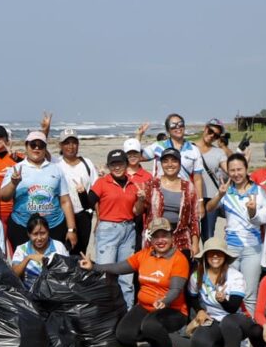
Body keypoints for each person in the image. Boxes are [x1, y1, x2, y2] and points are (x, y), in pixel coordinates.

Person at [81, 218, 190, 347]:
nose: (160, 240)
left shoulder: (179, 259)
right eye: (156, 236)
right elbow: (119, 267)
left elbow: (176, 289)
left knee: (150, 325)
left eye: (164, 235)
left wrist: (165, 301)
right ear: (150, 239)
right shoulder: (145, 254)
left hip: (172, 310)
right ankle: (155, 340)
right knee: (124, 335)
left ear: (171, 237)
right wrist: (94, 267)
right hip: (144, 306)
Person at [187, 227, 261, 347]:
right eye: (211, 254)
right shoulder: (197, 276)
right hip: (213, 318)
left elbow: (233, 308)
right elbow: (192, 297)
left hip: (238, 319)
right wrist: (200, 310)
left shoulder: (235, 276)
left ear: (225, 256)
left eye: (219, 254)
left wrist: (223, 300)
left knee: (229, 321)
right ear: (205, 257)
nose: (215, 257)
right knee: (199, 342)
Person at [0, 130, 77, 250]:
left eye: (40, 145)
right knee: (24, 266)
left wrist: (71, 229)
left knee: (53, 266)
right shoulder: (15, 169)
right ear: (26, 146)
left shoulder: (56, 169)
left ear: (45, 148)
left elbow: (65, 201)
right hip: (22, 226)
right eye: (33, 144)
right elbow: (3, 196)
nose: (36, 148)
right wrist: (13, 183)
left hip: (54, 226)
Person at [90, 149, 149, 306]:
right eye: (113, 164)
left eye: (120, 163)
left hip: (128, 229)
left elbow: (136, 211)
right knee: (105, 275)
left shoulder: (133, 183)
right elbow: (88, 202)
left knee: (126, 278)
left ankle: (127, 315)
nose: (117, 167)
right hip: (108, 230)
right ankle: (105, 316)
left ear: (126, 164)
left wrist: (141, 200)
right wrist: (82, 192)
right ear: (109, 166)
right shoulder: (102, 182)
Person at [211, 151, 266, 314]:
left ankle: (250, 332)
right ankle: (231, 327)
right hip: (230, 250)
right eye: (232, 170)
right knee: (230, 290)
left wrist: (253, 211)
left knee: (249, 294)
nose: (236, 174)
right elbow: (209, 209)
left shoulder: (259, 192)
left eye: (239, 169)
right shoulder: (225, 191)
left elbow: (263, 219)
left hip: (253, 249)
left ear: (246, 168)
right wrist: (219, 195)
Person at [142, 148, 202, 257]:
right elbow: (141, 210)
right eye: (165, 161)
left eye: (174, 161)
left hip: (181, 239)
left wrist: (195, 243)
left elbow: (194, 218)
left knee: (180, 272)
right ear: (161, 164)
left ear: (179, 164)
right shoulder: (152, 184)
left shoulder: (189, 187)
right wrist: (140, 199)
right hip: (156, 239)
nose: (170, 164)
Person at [52, 130, 98, 255]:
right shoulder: (55, 163)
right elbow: (41, 151)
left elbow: (96, 191)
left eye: (74, 143)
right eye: (66, 143)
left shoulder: (87, 163)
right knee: (62, 252)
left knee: (80, 253)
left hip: (84, 215)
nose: (70, 146)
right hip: (62, 216)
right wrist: (45, 130)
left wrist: (98, 219)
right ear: (60, 145)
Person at [10, 214, 68, 290]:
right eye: (35, 234)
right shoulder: (21, 249)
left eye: (43, 233)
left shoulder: (59, 246)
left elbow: (68, 271)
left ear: (48, 232)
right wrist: (28, 258)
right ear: (29, 234)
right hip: (29, 294)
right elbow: (14, 275)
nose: (39, 238)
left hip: (55, 293)